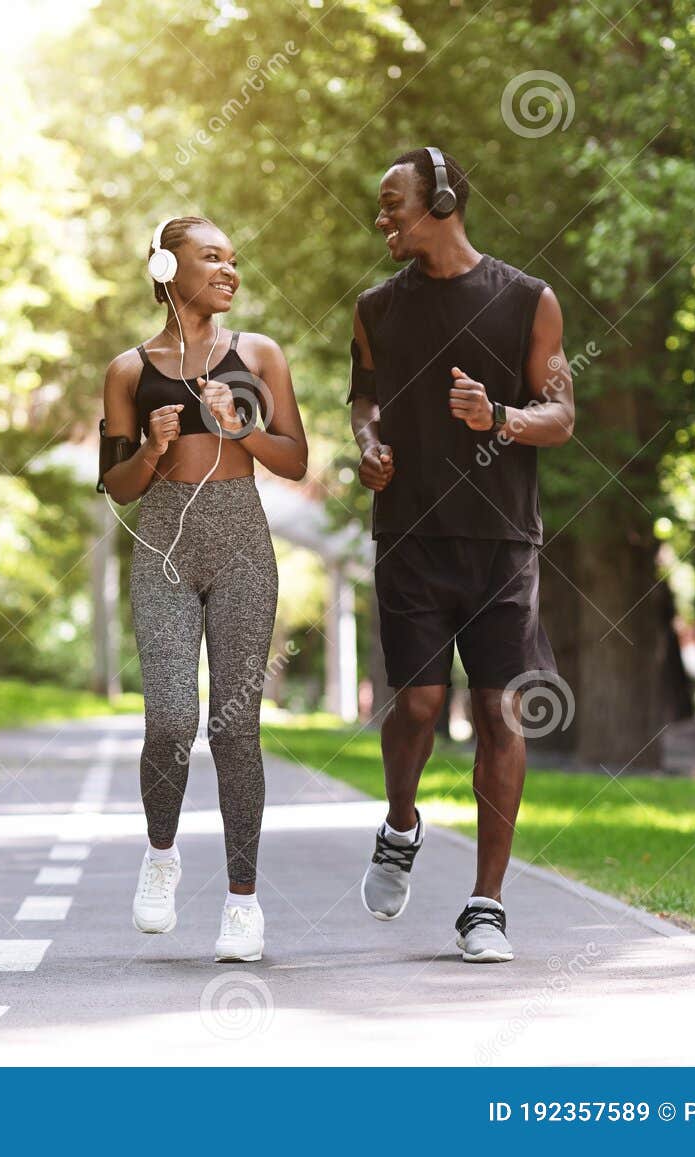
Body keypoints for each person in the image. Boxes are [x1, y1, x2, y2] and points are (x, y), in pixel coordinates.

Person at [347, 148, 576, 963]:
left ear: (440, 199)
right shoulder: (375, 306)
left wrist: (500, 418)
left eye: (392, 204)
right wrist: (369, 445)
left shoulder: (528, 300)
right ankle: (400, 824)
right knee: (413, 706)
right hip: (408, 534)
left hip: (502, 542)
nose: (382, 220)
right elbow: (364, 399)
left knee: (498, 712)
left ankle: (486, 904)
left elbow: (561, 414)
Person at [98, 215, 308, 963]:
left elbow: (294, 458)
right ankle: (161, 855)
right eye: (210, 258)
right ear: (166, 267)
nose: (228, 271)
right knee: (170, 717)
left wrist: (240, 429)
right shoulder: (128, 369)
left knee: (234, 725)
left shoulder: (259, 354)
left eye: (233, 260)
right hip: (163, 544)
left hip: (242, 542)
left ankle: (242, 904)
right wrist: (153, 450)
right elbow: (115, 486)